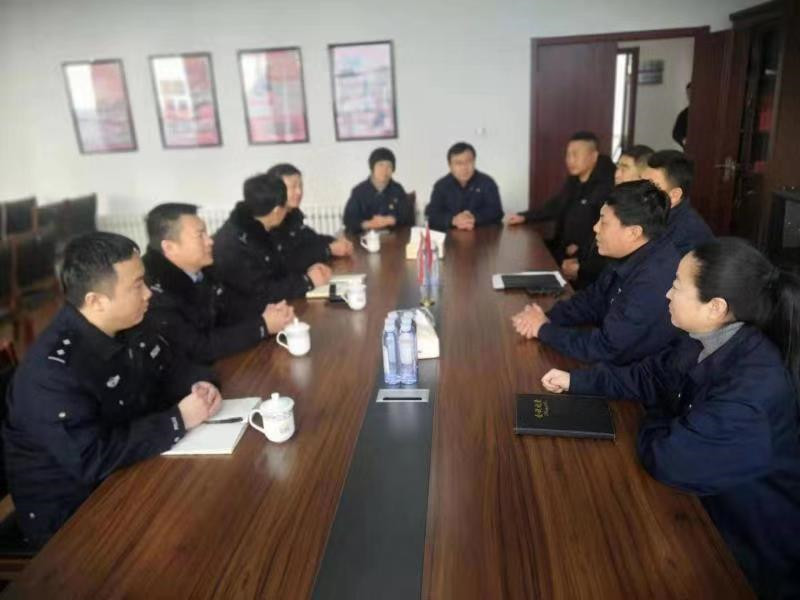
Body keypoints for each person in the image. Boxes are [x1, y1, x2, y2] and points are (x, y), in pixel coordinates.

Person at [542, 238, 800, 599]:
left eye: (677, 285)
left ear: (715, 307)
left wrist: (658, 414)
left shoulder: (753, 390)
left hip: (743, 545)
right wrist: (578, 382)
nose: (667, 293)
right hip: (703, 498)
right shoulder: (704, 336)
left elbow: (670, 458)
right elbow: (650, 376)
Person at [3, 232, 222, 548]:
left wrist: (200, 385)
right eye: (137, 286)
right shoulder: (52, 372)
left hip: (130, 472)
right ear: (96, 301)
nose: (148, 293)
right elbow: (93, 458)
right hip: (74, 516)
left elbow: (168, 368)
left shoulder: (129, 323)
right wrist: (177, 419)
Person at [512, 180, 679, 365]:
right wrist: (547, 317)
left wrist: (544, 329)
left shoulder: (654, 279)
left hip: (636, 373)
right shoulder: (629, 252)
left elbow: (607, 348)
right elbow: (593, 300)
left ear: (633, 233)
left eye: (604, 222)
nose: (595, 228)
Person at [142, 203, 295, 365]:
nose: (210, 241)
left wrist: (267, 312)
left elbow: (230, 307)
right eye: (200, 235)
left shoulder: (203, 270)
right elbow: (199, 347)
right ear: (170, 247)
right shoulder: (154, 294)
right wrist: (262, 326)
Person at [508, 131, 616, 289]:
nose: (570, 160)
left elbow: (605, 226)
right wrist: (525, 217)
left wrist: (581, 249)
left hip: (587, 260)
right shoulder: (574, 180)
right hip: (564, 250)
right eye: (568, 155)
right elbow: (556, 205)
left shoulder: (606, 186)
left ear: (593, 156)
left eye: (576, 154)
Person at [213, 173, 332, 312]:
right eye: (285, 207)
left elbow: (281, 268)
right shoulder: (233, 245)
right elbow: (262, 293)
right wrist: (307, 281)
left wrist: (309, 271)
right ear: (277, 211)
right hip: (246, 314)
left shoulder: (259, 226)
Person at [267, 163, 353, 272]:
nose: (299, 192)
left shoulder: (293, 213)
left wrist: (335, 241)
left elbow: (310, 238)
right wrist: (328, 249)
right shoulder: (270, 219)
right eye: (293, 187)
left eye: (300, 186)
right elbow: (289, 259)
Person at [643, 150, 714, 257]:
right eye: (641, 182)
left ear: (674, 195)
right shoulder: (655, 213)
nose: (640, 190)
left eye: (651, 186)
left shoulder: (687, 235)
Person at [425, 142, 504, 231]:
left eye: (469, 162)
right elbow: (433, 215)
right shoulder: (441, 186)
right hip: (450, 237)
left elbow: (497, 212)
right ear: (450, 166)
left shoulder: (487, 182)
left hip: (482, 235)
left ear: (474, 162)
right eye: (458, 163)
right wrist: (453, 220)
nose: (464, 168)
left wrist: (473, 218)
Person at [343, 147, 415, 234]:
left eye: (389, 166)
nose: (385, 170)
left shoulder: (397, 189)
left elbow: (408, 217)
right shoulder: (359, 191)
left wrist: (391, 220)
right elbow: (348, 219)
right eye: (380, 165)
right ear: (372, 168)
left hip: (393, 237)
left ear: (393, 169)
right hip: (366, 236)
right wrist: (369, 224)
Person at [672, 82, 691, 149]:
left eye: (692, 93)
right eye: (688, 94)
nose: (690, 96)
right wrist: (684, 142)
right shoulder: (684, 114)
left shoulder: (707, 112)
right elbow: (676, 134)